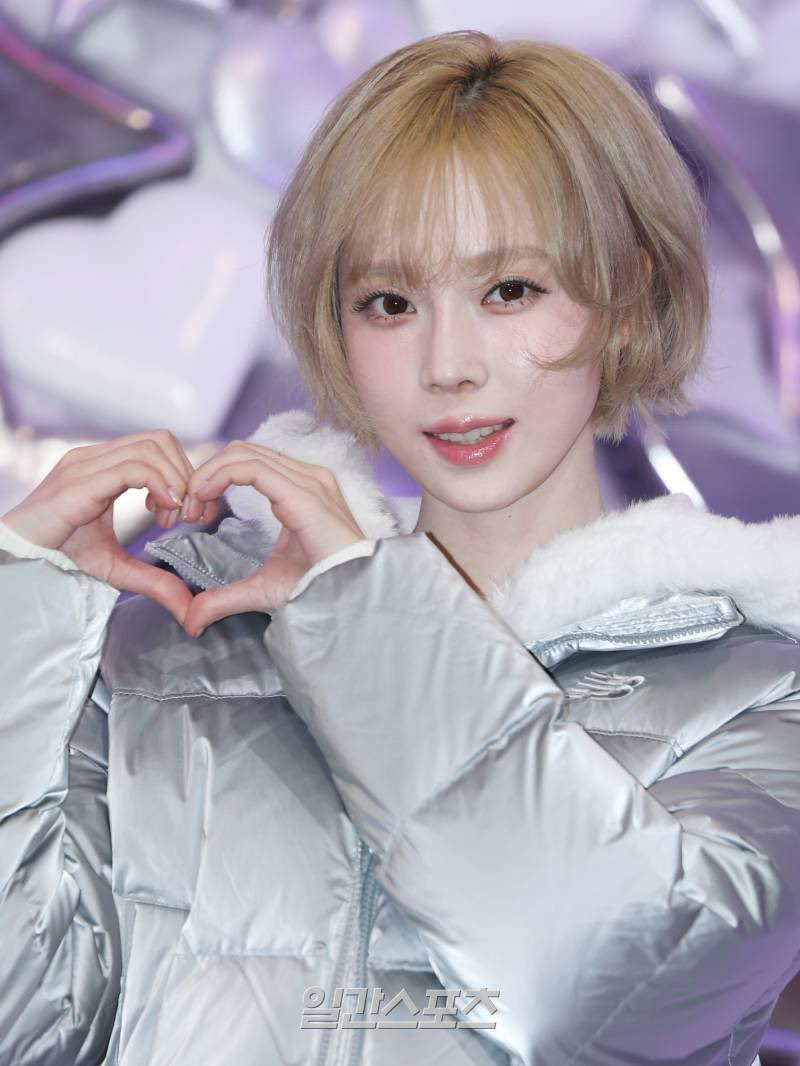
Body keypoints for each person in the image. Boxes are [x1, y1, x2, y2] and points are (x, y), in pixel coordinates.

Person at [1, 28, 798, 1066]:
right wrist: (16, 624)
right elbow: (27, 1025)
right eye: (389, 302)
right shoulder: (178, 639)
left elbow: (592, 994)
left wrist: (359, 616)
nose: (447, 364)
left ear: (627, 293)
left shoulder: (759, 689)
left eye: (509, 290)